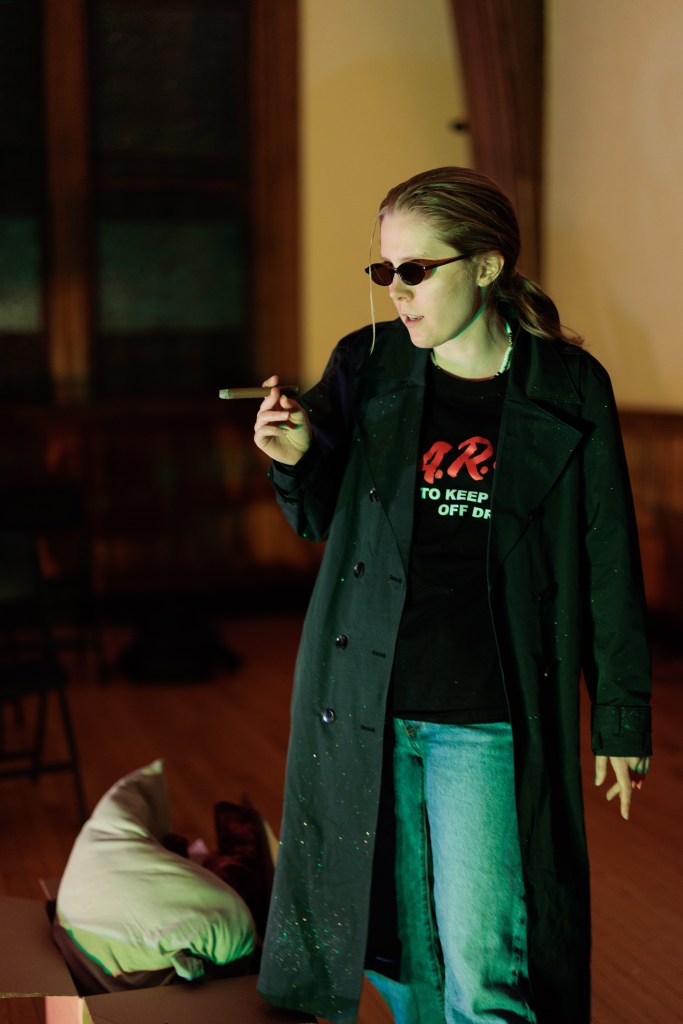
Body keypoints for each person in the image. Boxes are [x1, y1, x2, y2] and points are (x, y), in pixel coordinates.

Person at [252, 167, 652, 1024]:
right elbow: (319, 516)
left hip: (486, 715)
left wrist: (619, 715)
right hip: (368, 706)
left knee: (484, 973)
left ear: (485, 266)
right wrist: (294, 457)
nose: (395, 292)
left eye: (415, 270)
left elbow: (607, 556)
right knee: (405, 961)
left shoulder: (568, 385)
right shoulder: (367, 365)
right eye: (384, 270)